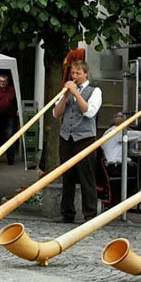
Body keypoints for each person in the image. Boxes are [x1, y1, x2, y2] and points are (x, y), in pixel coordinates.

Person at [53, 60, 102, 223]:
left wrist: (76, 94)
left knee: (86, 176)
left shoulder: (95, 91)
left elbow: (88, 112)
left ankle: (90, 214)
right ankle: (67, 212)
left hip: (85, 139)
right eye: (72, 73)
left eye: (78, 73)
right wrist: (65, 95)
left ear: (85, 74)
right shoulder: (66, 91)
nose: (74, 76)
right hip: (67, 137)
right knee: (67, 177)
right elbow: (56, 114)